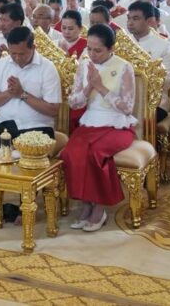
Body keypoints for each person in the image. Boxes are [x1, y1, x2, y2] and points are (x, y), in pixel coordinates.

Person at [0, 25, 61, 220]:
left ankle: (25, 207)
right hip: (5, 121)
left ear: (33, 47)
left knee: (28, 156)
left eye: (22, 54)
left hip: (37, 127)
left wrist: (22, 94)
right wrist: (10, 93)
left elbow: (53, 109)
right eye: (13, 53)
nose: (17, 58)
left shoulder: (47, 68)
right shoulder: (3, 64)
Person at [61, 24, 137, 232]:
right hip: (90, 122)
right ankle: (86, 203)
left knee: (95, 153)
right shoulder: (84, 65)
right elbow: (74, 103)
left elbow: (127, 107)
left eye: (98, 50)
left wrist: (101, 87)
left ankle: (99, 207)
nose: (92, 54)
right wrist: (88, 87)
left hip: (117, 125)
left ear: (111, 48)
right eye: (89, 49)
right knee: (71, 153)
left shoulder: (124, 67)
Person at [125, 1, 170, 122]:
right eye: (129, 18)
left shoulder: (164, 46)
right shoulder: (122, 44)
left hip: (154, 102)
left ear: (149, 21)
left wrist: (143, 75)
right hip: (124, 99)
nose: (130, 22)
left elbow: (168, 80)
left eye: (135, 18)